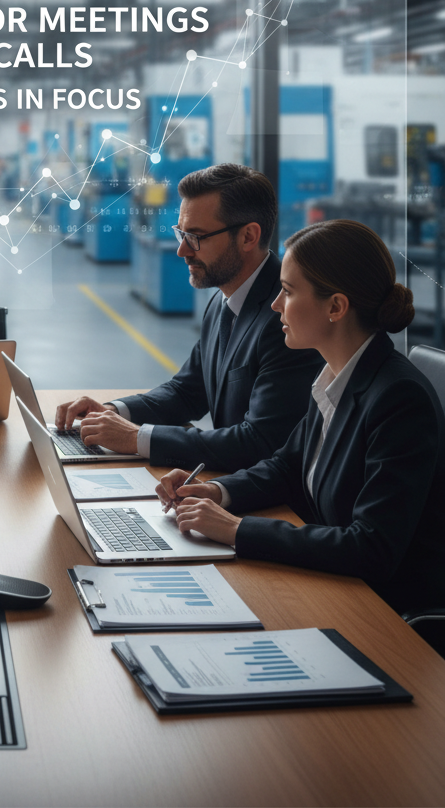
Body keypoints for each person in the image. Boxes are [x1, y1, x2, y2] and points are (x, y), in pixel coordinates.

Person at [158, 219, 445, 615]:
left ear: (336, 307)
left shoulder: (398, 399)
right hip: (333, 585)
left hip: (383, 613)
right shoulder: (335, 374)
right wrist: (217, 492)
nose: (275, 304)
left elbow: (372, 548)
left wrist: (236, 529)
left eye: (288, 291)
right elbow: (287, 467)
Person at [56, 163, 323, 471]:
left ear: (248, 236)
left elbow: (260, 442)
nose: (182, 250)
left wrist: (137, 438)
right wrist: (114, 411)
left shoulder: (286, 317)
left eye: (196, 237)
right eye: (181, 233)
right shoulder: (223, 301)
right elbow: (188, 391)